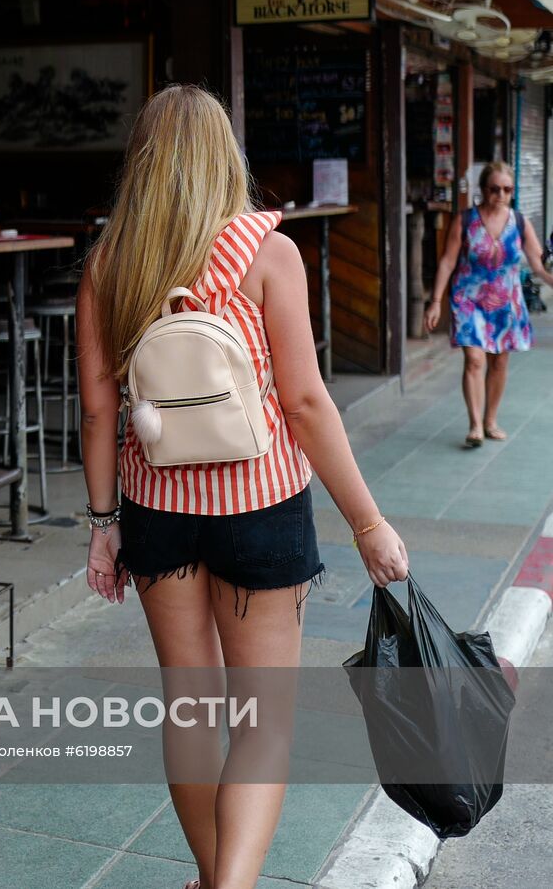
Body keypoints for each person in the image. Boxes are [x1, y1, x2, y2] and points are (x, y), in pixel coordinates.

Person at [75, 85, 409, 889]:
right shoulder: (267, 251)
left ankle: (213, 877)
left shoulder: (111, 260)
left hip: (156, 509)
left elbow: (95, 406)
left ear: (143, 162)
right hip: (261, 508)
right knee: (260, 722)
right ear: (227, 156)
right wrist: (367, 523)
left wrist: (100, 523)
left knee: (189, 711)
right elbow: (302, 401)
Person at [424, 160, 553, 447]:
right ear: (483, 189)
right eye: (495, 189)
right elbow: (447, 261)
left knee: (499, 363)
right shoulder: (466, 220)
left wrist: (550, 278)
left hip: (506, 303)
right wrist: (435, 301)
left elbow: (538, 264)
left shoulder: (519, 222)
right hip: (468, 300)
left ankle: (490, 420)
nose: (501, 195)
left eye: (507, 189)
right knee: (474, 360)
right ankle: (474, 426)